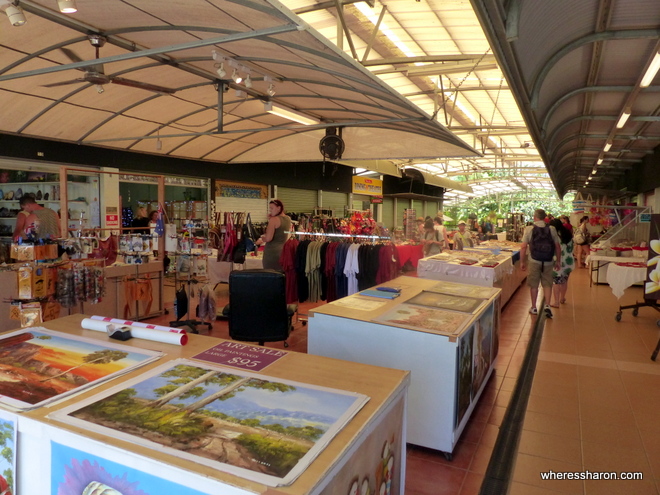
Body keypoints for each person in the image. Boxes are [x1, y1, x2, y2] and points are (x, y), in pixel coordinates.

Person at [519, 208, 561, 317]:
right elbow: (557, 246)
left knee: (534, 284)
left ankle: (534, 307)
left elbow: (523, 247)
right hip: (548, 260)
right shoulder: (552, 229)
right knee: (547, 283)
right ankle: (547, 305)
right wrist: (558, 261)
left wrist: (522, 261)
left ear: (535, 217)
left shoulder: (529, 229)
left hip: (534, 260)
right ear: (545, 217)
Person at [256, 199, 291, 271]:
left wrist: (262, 238)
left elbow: (268, 238)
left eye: (272, 208)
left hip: (272, 252)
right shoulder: (288, 219)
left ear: (279, 208)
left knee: (270, 274)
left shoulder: (274, 220)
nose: (270, 211)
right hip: (282, 251)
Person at [549, 218, 575, 307]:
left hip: (558, 261)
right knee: (564, 281)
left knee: (556, 282)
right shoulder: (568, 234)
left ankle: (556, 302)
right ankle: (562, 298)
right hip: (569, 261)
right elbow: (572, 248)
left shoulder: (555, 236)